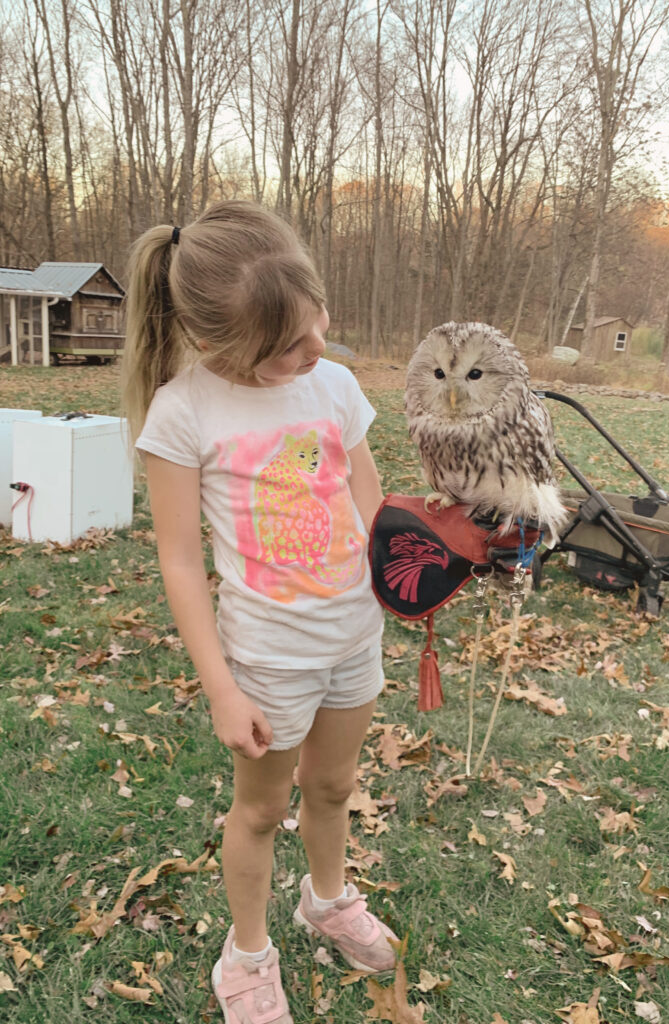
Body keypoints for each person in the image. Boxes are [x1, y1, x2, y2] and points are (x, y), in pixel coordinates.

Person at [120, 199, 398, 1024]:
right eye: (289, 348)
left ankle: (327, 899)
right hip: (268, 657)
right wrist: (222, 690)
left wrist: (408, 567)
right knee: (263, 809)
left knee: (334, 785)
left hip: (354, 635)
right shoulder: (184, 411)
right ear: (218, 345)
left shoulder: (336, 384)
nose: (318, 351)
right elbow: (178, 561)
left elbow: (366, 490)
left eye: (319, 322)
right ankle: (245, 955)